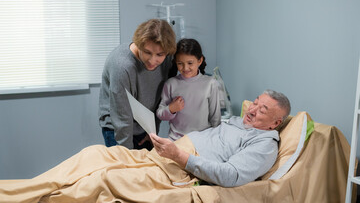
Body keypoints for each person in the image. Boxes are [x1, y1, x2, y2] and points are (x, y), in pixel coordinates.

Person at [0, 89, 291, 203]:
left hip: (179, 170)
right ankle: (22, 191)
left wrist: (180, 155)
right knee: (97, 153)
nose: (253, 109)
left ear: (275, 123)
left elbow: (231, 176)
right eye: (255, 102)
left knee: (104, 179)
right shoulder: (240, 123)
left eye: (263, 109)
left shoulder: (264, 144)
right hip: (167, 156)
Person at [98, 19, 176, 150]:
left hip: (145, 125)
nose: (152, 60)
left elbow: (160, 99)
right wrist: (127, 156)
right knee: (126, 167)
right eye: (147, 52)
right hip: (117, 127)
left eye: (159, 55)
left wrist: (152, 132)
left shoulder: (167, 59)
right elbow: (122, 117)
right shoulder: (122, 66)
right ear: (139, 44)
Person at [156, 38, 221, 141]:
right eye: (180, 63)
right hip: (176, 141)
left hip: (203, 141)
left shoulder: (211, 83)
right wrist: (171, 109)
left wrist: (215, 141)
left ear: (200, 61)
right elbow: (160, 113)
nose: (185, 68)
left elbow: (215, 119)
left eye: (190, 63)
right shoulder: (170, 84)